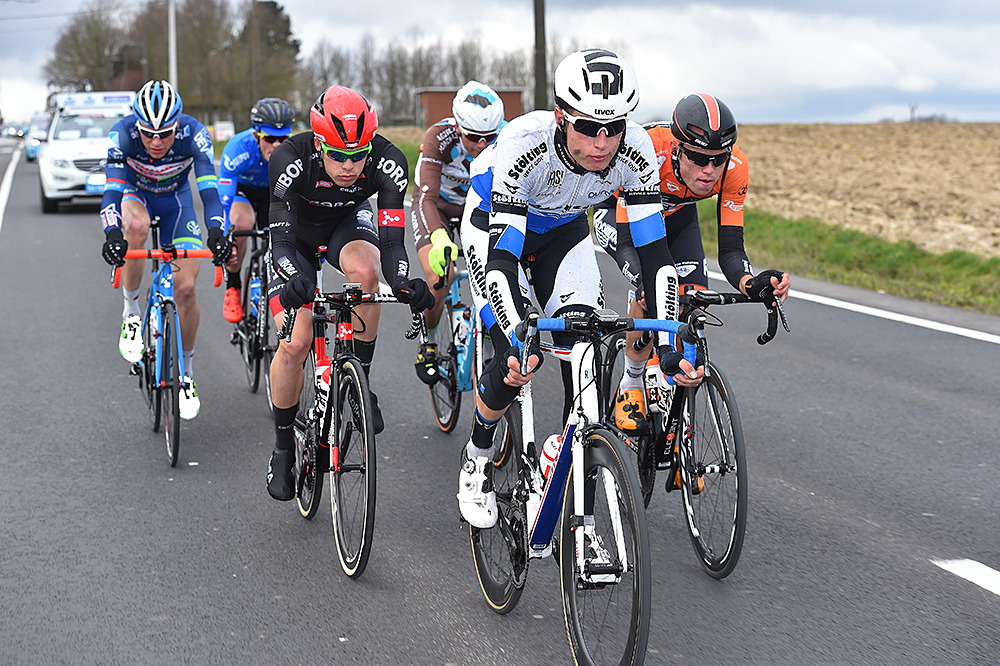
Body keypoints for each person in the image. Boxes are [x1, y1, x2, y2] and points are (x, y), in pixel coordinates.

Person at [456, 48, 697, 528]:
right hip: (494, 228)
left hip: (563, 231)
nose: (602, 143)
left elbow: (656, 257)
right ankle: (478, 455)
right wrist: (517, 330)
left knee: (583, 341)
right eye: (588, 127)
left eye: (614, 127)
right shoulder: (524, 142)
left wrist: (669, 346)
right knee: (514, 355)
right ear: (561, 116)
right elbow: (502, 261)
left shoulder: (636, 152)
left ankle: (572, 488)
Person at [264, 85, 435, 501]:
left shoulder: (389, 161)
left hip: (347, 224)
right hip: (296, 237)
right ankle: (283, 448)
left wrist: (403, 282)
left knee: (368, 274)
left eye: (358, 155)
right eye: (338, 155)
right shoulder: (289, 158)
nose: (349, 165)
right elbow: (280, 244)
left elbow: (392, 244)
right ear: (318, 144)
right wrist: (294, 278)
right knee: (296, 342)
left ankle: (361, 383)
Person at [594, 93, 791, 432]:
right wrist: (647, 284)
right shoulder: (646, 152)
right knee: (652, 290)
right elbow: (628, 244)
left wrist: (752, 283)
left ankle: (678, 408)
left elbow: (731, 250)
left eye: (718, 160)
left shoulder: (735, 168)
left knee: (695, 300)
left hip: (679, 217)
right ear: (676, 149)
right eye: (698, 158)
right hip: (620, 214)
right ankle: (632, 380)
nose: (709, 170)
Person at [100, 80, 230, 420]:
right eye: (148, 134)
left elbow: (210, 193)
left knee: (186, 290)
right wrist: (113, 234)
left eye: (165, 134)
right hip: (136, 197)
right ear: (137, 127)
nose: (156, 142)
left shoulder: (195, 133)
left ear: (178, 125)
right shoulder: (122, 134)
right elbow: (111, 193)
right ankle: (131, 313)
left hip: (177, 203)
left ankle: (186, 374)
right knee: (137, 227)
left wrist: (217, 232)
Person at [410, 81, 505, 383]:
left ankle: (488, 342)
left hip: (477, 207)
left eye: (489, 137)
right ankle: (428, 341)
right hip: (436, 205)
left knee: (497, 275)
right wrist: (439, 238)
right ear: (458, 127)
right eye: (474, 137)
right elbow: (426, 198)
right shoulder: (439, 137)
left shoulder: (508, 137)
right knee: (441, 276)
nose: (482, 144)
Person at [217, 98, 295, 323]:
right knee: (241, 225)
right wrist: (226, 238)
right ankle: (233, 286)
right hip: (244, 193)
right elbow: (225, 203)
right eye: (270, 139)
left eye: (283, 139)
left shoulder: (295, 151)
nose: (277, 145)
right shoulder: (237, 149)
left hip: (274, 193)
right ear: (256, 135)